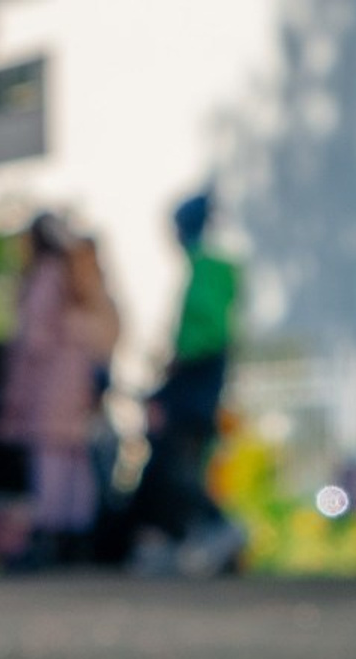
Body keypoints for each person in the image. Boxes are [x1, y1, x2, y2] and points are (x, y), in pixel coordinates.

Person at [130, 192, 244, 576]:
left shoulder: (207, 269)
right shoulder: (209, 267)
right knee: (176, 466)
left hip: (194, 386)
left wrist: (175, 365)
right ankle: (181, 538)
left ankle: (214, 529)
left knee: (177, 466)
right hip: (196, 384)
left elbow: (208, 332)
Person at [0, 214, 120, 566]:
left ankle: (49, 537)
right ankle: (77, 538)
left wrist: (16, 392)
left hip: (51, 383)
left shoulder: (46, 276)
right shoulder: (78, 277)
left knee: (49, 459)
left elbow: (34, 339)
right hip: (80, 380)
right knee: (75, 461)